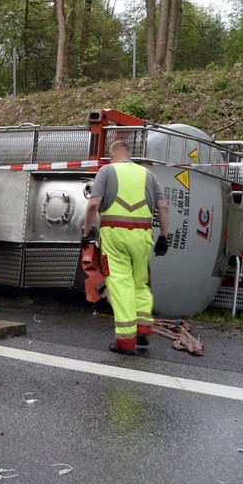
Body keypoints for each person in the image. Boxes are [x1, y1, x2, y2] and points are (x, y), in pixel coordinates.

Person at [81, 140, 169, 355]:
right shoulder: (148, 174)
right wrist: (164, 237)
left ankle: (126, 342)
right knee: (140, 282)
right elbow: (163, 206)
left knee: (121, 286)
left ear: (112, 154)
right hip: (142, 237)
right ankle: (143, 327)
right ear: (129, 154)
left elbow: (93, 204)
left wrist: (86, 232)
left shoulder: (107, 170)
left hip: (115, 237)